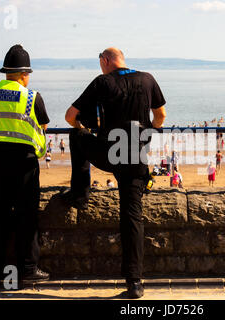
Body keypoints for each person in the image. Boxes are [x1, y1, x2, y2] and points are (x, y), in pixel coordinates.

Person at [63, 47, 166, 299]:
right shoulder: (147, 79)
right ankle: (135, 283)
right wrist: (145, 136)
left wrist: (84, 128)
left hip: (108, 154)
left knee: (76, 136)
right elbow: (160, 116)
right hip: (134, 157)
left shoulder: (102, 82)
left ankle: (80, 194)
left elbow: (70, 117)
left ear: (105, 61)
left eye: (101, 64)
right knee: (132, 216)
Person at [0, 45, 50, 287]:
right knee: (26, 216)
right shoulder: (32, 96)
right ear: (23, 74)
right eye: (28, 74)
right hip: (25, 164)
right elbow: (44, 126)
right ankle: (28, 269)